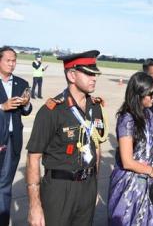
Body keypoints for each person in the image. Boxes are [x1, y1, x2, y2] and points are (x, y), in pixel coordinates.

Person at [26, 50, 107, 226]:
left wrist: (94, 186)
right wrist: (34, 206)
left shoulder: (96, 107)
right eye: (88, 73)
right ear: (71, 75)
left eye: (95, 73)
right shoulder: (51, 111)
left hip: (87, 186)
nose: (94, 78)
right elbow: (33, 158)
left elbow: (97, 148)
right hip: (59, 188)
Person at [108, 72, 153, 225]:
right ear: (138, 95)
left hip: (152, 184)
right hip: (131, 188)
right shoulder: (127, 120)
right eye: (150, 94)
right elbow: (127, 161)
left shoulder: (149, 115)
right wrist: (152, 171)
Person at [0, 46, 32, 225]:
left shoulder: (21, 83)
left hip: (13, 140)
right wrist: (2, 107)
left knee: (5, 185)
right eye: (8, 60)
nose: (12, 64)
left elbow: (27, 111)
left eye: (14, 61)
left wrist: (26, 104)